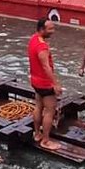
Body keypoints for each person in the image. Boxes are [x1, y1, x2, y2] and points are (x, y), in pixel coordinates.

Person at [28, 16, 62, 151]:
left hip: (35, 81)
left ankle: (37, 133)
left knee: (38, 106)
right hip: (44, 84)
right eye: (50, 29)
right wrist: (56, 84)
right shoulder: (42, 46)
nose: (53, 31)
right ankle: (46, 140)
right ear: (42, 29)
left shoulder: (33, 39)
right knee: (49, 111)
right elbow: (46, 67)